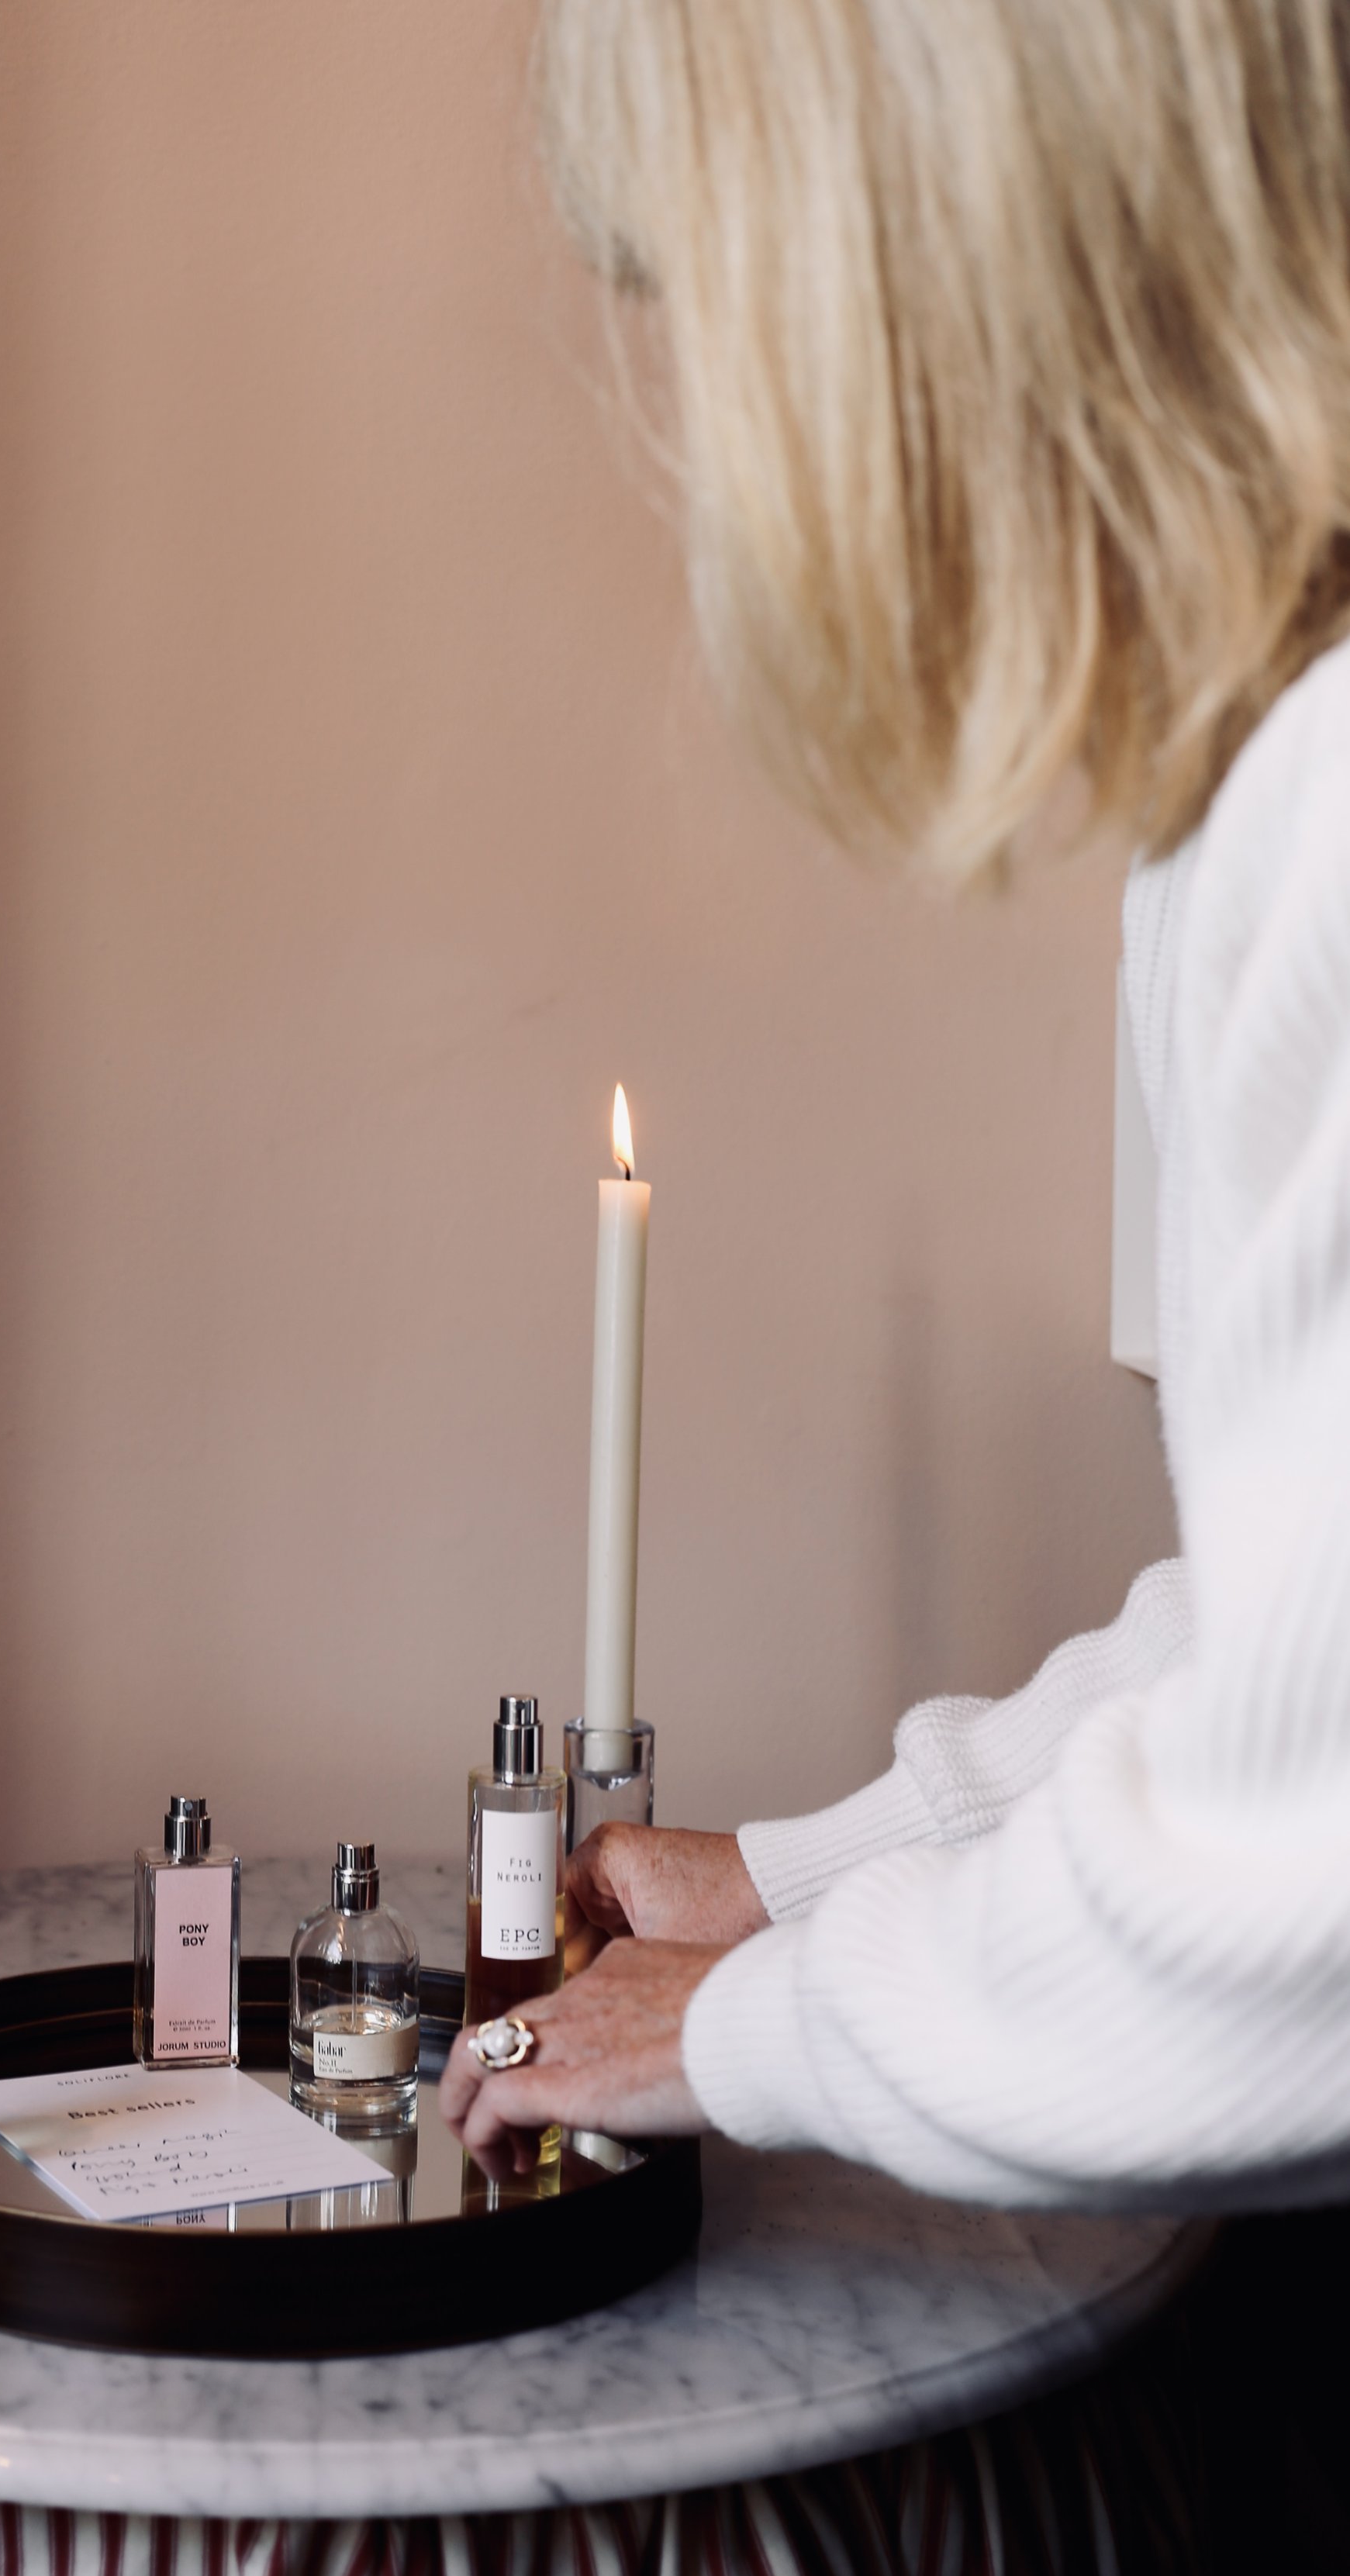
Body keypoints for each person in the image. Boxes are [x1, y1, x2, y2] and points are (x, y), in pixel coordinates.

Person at [444, 0, 1350, 2215]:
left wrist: (746, 2025)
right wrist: (801, 1877)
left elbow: (1295, 1909)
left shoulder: (1321, 807)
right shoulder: (1253, 783)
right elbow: (1287, 1647)